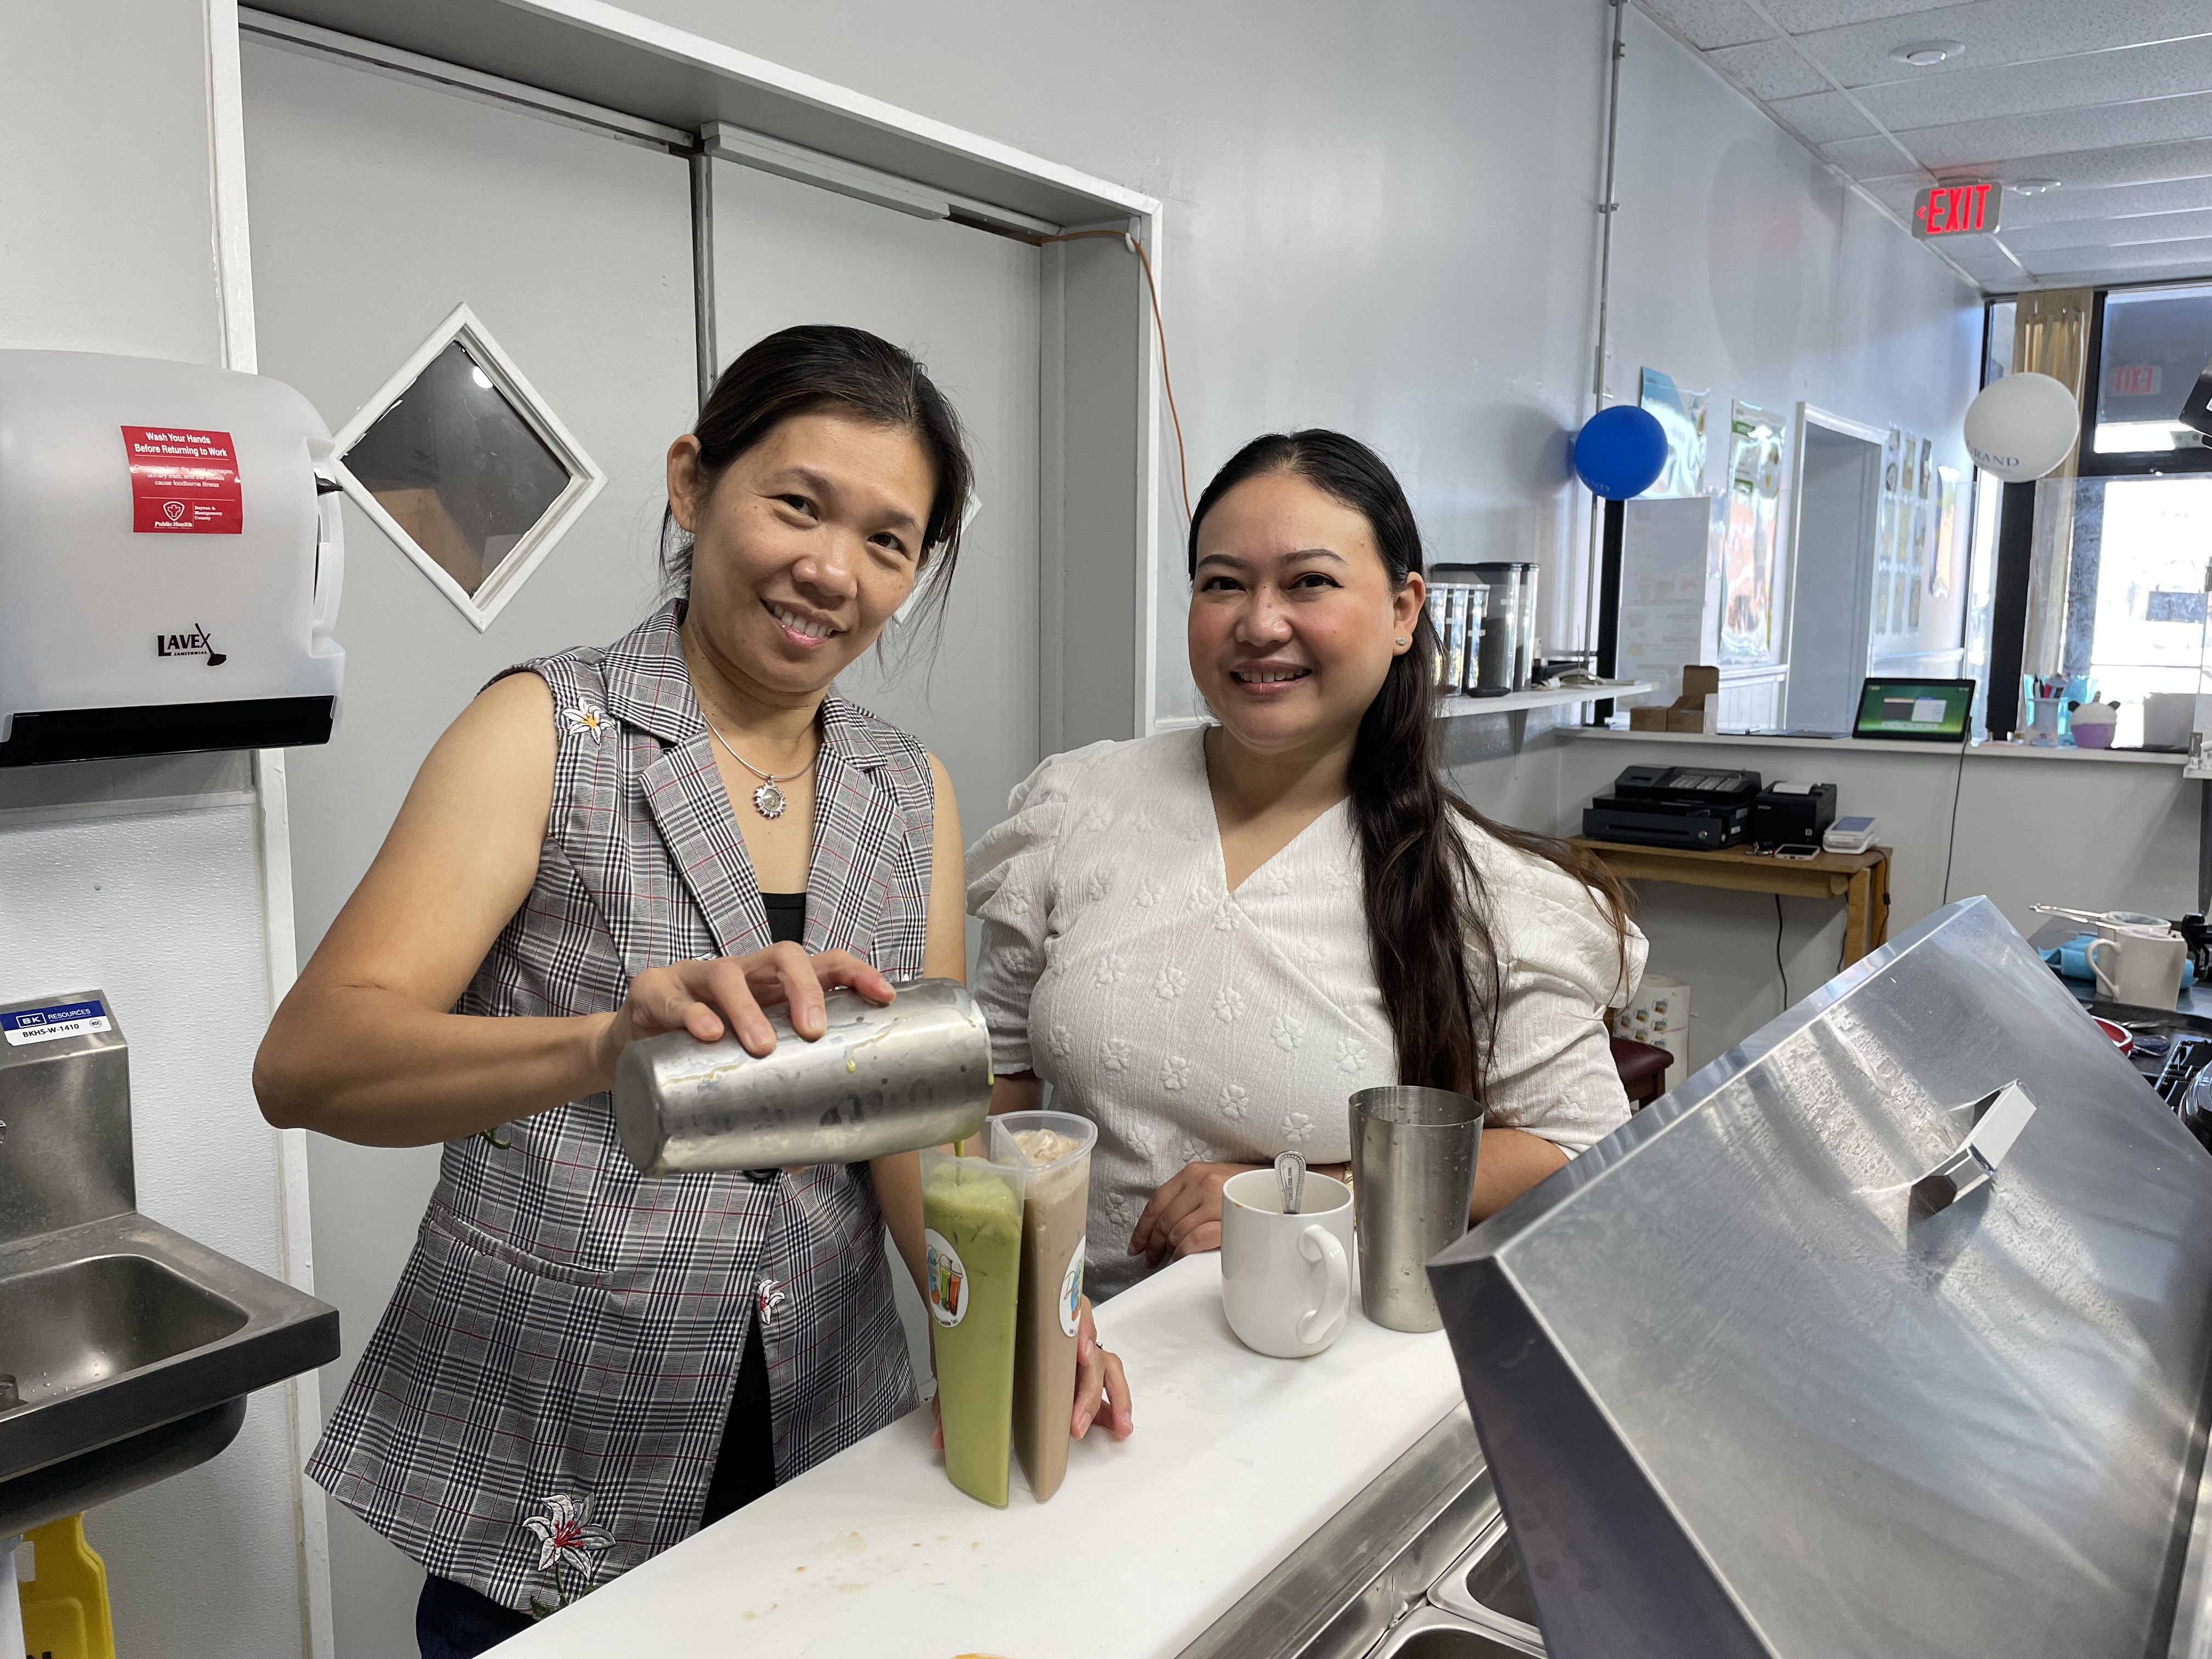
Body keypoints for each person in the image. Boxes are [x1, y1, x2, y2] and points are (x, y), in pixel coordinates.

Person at [255, 325, 1131, 1659]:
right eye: (797, 503)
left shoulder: (909, 793)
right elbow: (308, 1061)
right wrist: (605, 1043)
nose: (830, 570)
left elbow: (919, 1120)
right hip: (559, 1443)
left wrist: (1011, 1328)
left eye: (889, 542)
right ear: (692, 483)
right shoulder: (548, 731)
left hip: (820, 1428)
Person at [967, 429, 1645, 1302]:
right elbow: (1000, 1081)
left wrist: (1318, 1195)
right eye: (1223, 584)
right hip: (1086, 1362)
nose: (1259, 623)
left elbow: (1577, 1146)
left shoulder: (1487, 893)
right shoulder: (1076, 806)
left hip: (1329, 1370)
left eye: (1309, 582)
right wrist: (995, 1311)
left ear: (1404, 612)